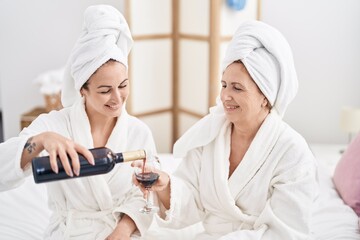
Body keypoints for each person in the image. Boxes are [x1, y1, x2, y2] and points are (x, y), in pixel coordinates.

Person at [134, 20, 318, 239]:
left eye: (237, 88)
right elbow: (192, 200)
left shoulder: (292, 152)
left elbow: (285, 232)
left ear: (265, 99)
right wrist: (164, 185)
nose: (225, 96)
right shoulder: (212, 133)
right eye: (224, 85)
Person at [0, 5, 157, 240]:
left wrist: (121, 232)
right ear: (83, 89)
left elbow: (146, 195)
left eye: (123, 86)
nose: (117, 99)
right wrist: (41, 140)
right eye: (105, 90)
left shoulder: (138, 132)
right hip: (69, 232)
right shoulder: (55, 125)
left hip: (123, 232)